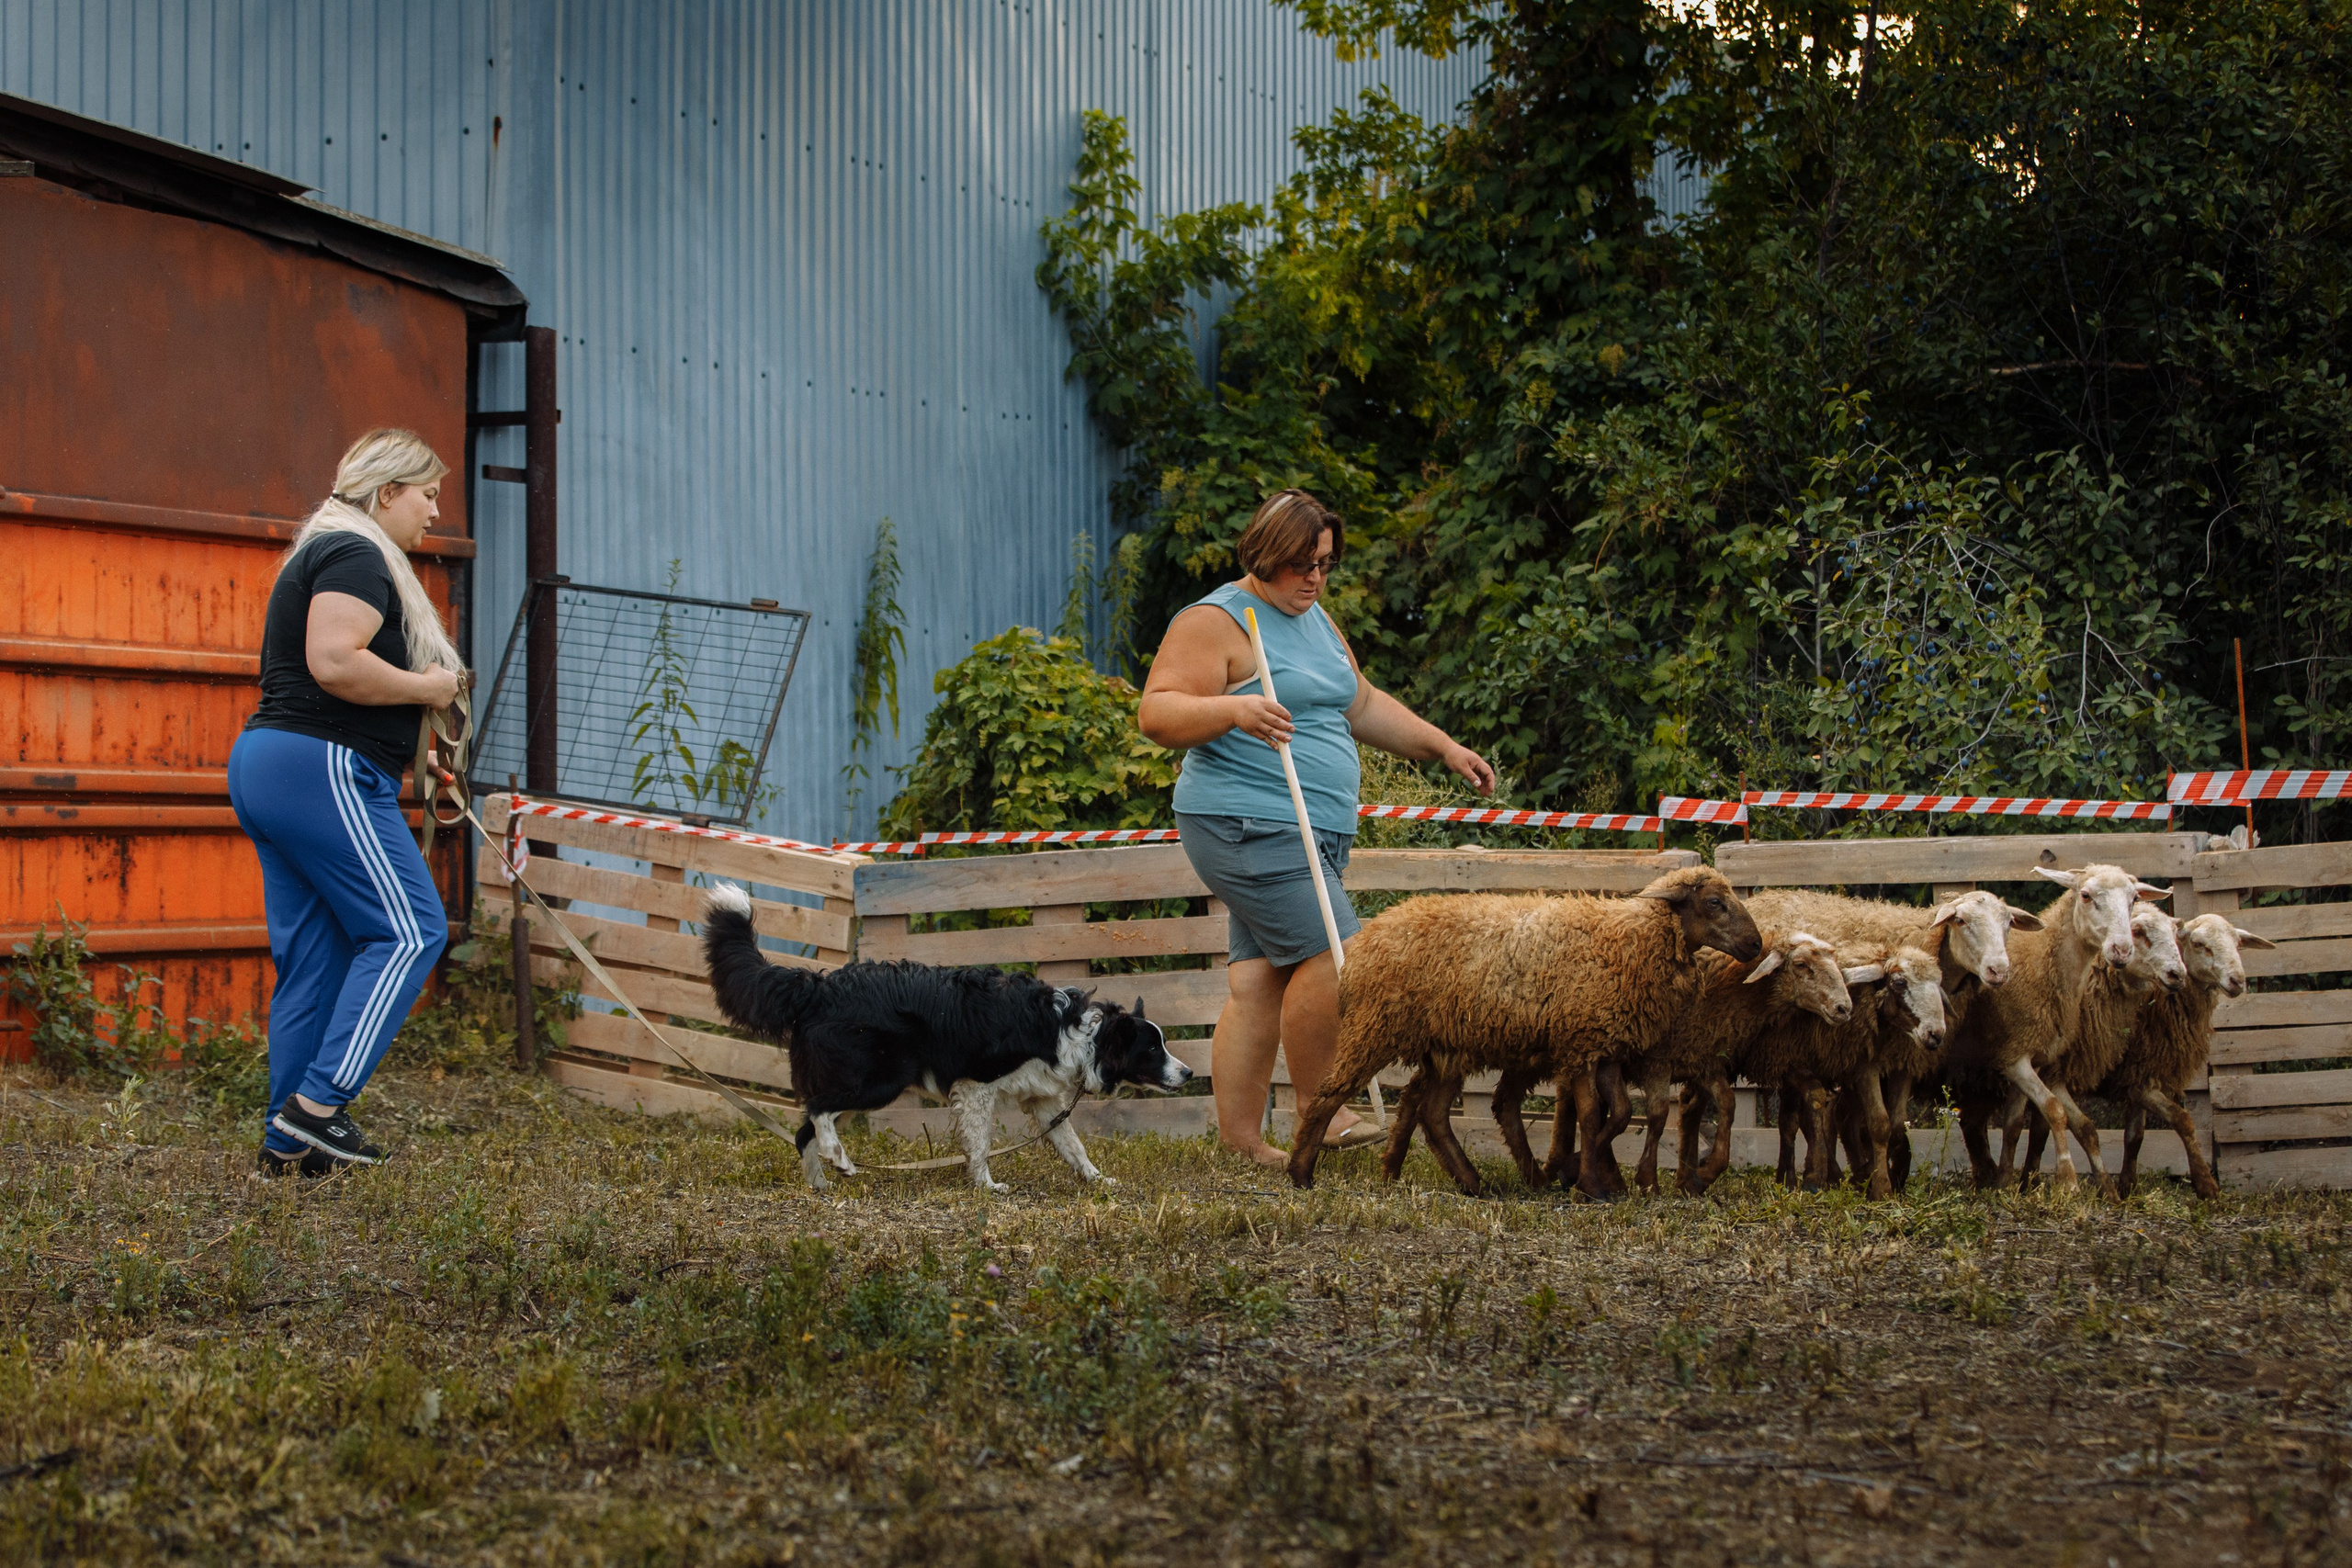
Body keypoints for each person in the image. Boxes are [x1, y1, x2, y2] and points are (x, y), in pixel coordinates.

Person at [1139, 490, 1496, 1169]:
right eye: (1301, 564)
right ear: (1263, 554)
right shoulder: (1216, 620)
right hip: (1245, 820)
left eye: (1325, 563)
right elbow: (1157, 713)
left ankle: (1242, 1142)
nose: (1315, 578)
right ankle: (1320, 1110)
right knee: (1337, 957)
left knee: (1258, 984)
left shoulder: (1317, 620)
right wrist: (1232, 711)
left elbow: (1360, 704)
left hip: (1310, 827)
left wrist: (1444, 747)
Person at [228, 429, 464, 1175]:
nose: (435, 511)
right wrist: (429, 687)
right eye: (428, 494)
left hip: (276, 766)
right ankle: (317, 1107)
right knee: (410, 931)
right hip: (320, 767)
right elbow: (334, 661)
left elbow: (326, 674)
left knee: (318, 957)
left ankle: (288, 1144)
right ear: (387, 492)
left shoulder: (327, 549)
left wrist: (410, 747)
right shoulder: (358, 553)